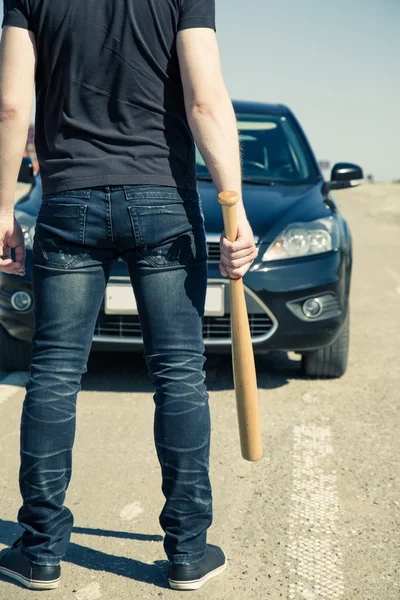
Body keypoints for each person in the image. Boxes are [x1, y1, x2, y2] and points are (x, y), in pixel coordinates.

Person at [0, 0, 257, 592]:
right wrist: (233, 204)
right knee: (179, 374)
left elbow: (11, 104)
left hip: (69, 197)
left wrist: (4, 207)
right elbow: (205, 100)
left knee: (55, 372)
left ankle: (39, 552)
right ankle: (189, 551)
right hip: (164, 197)